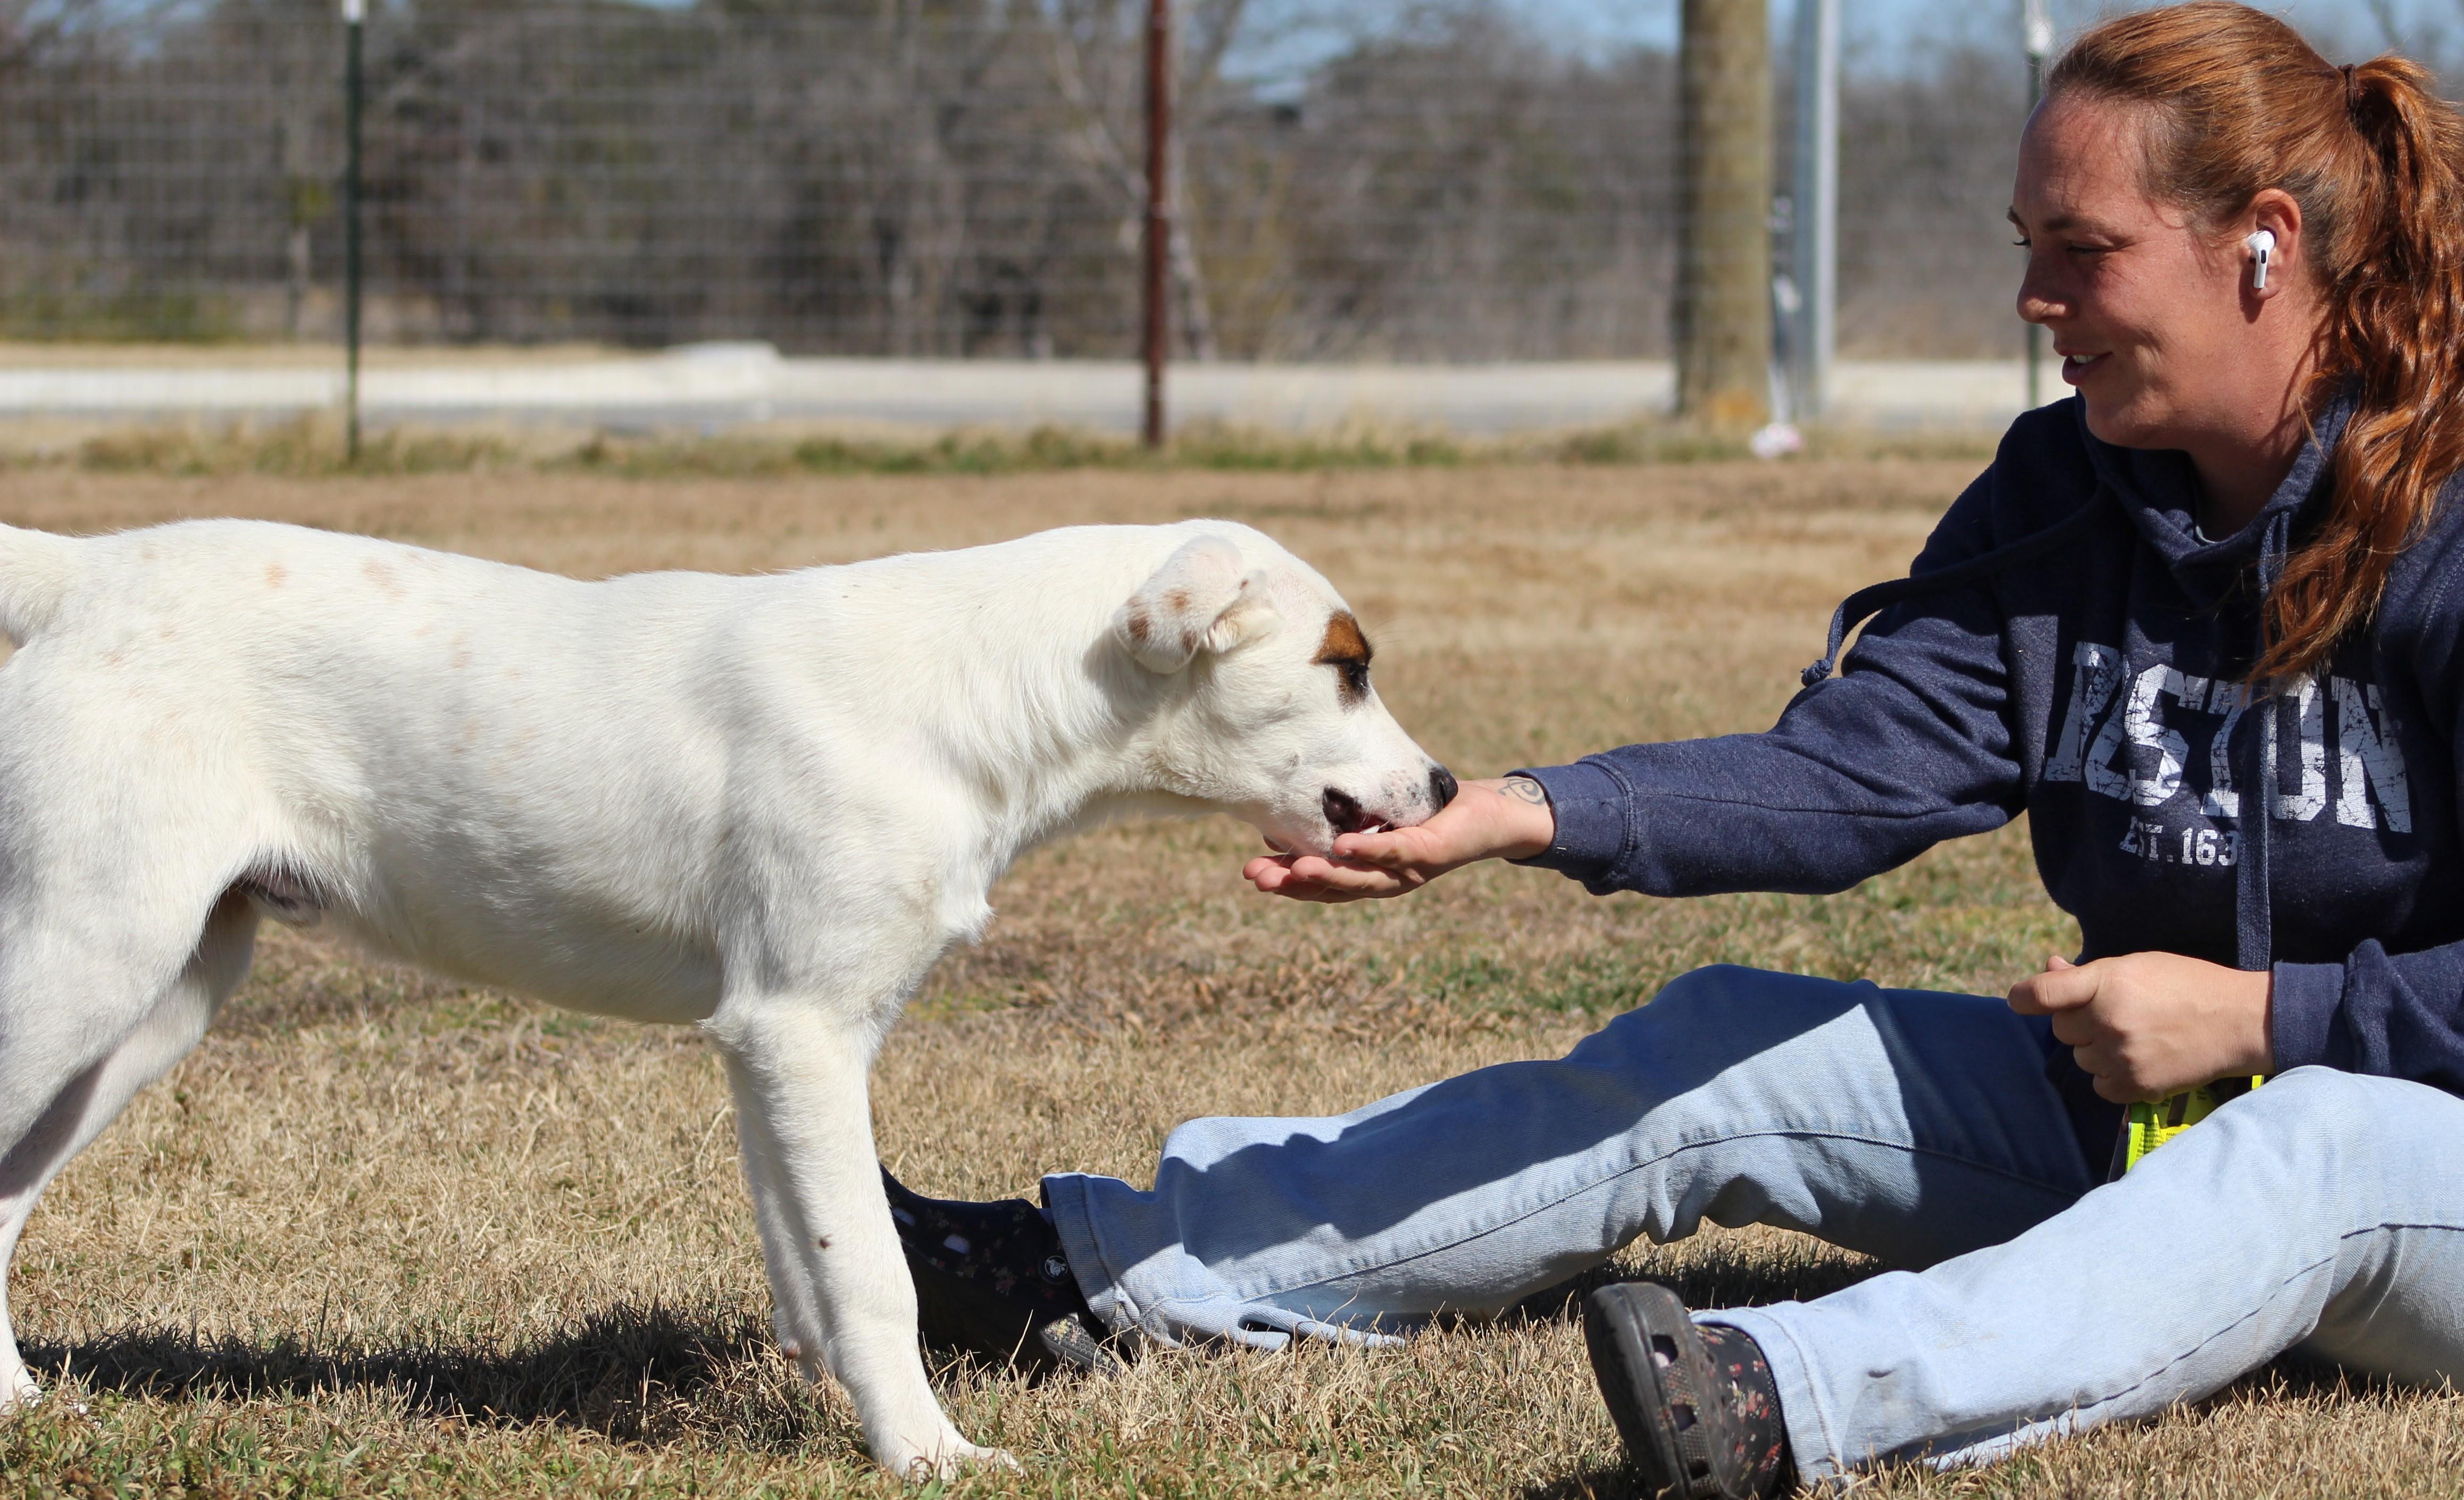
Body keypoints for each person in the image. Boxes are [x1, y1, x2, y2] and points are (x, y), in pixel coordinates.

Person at [882, 6, 2464, 1493]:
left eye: (2082, 249)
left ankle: (1781, 1400)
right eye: (2024, 246)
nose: (2033, 297)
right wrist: (1518, 811)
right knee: (1726, 1040)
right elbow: (1857, 767)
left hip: (2398, 1155)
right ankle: (1098, 1268)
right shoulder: (2070, 490)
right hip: (2157, 1115)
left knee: (2309, 1136)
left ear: (2261, 241)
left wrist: (2266, 1010)